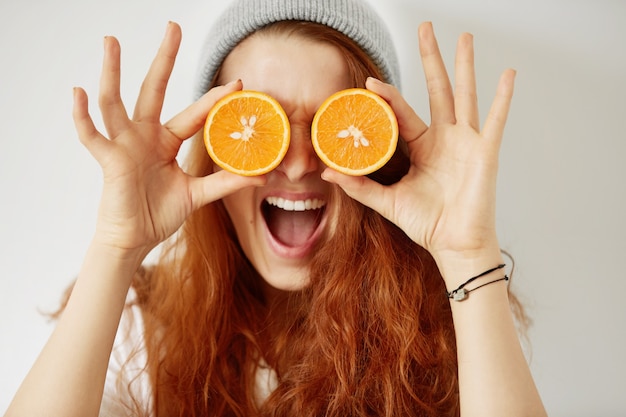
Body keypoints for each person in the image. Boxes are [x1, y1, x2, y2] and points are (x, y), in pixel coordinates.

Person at [5, 0, 547, 416]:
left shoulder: (447, 318)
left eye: (335, 125)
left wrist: (468, 255)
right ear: (212, 148)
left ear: (379, 149)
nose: (296, 165)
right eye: (257, 125)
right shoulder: (140, 329)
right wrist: (116, 247)